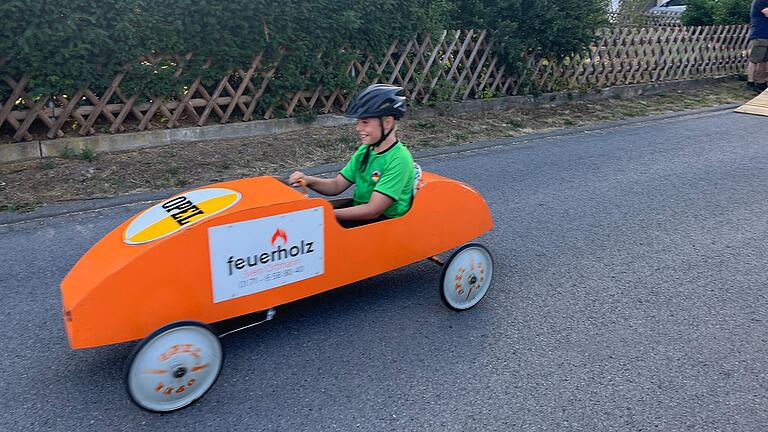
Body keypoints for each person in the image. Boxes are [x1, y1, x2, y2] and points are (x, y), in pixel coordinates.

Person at [288, 84, 416, 227]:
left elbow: (373, 210)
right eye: (358, 122)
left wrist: (325, 214)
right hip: (362, 212)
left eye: (365, 122)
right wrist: (308, 180)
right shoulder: (365, 150)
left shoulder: (399, 159)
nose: (358, 128)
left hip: (384, 222)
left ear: (387, 123)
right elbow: (336, 186)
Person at [747, 0, 768, 92]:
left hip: (766, 36)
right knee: (754, 60)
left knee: (764, 61)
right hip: (760, 35)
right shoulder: (761, 1)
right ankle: (750, 82)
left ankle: (761, 82)